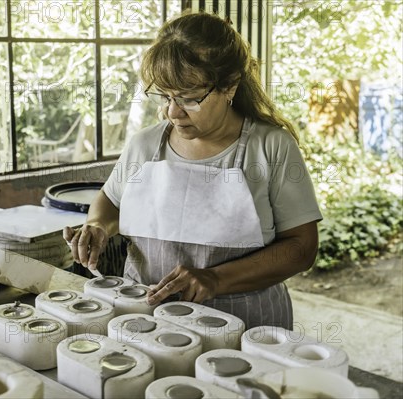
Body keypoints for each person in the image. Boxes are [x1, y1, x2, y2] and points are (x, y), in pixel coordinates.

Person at [63, 12, 322, 330]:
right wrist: (98, 226)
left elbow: (302, 247)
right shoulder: (145, 145)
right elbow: (111, 200)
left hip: (244, 325)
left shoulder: (270, 147)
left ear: (230, 86)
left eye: (189, 98)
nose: (173, 112)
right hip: (146, 319)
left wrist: (215, 278)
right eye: (166, 96)